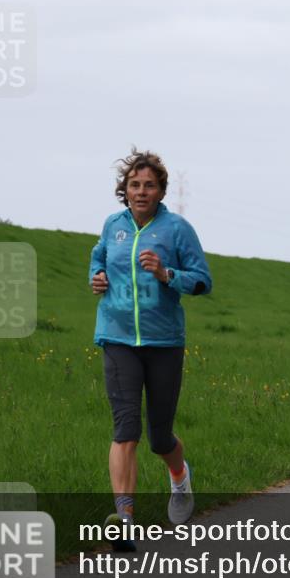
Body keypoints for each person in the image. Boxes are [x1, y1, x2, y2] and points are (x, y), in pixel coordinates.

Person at [89, 148, 213, 551]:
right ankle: (124, 519)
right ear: (124, 190)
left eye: (149, 186)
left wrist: (166, 273)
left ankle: (179, 477)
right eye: (134, 185)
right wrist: (98, 277)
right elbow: (97, 260)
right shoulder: (113, 225)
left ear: (161, 191)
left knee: (160, 437)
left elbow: (202, 281)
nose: (140, 192)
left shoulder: (177, 230)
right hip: (117, 336)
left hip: (163, 343)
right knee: (126, 429)